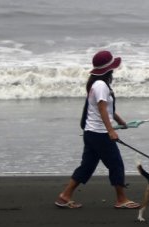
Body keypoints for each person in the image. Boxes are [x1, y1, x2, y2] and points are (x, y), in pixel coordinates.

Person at [55, 50, 140, 209]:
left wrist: (120, 121)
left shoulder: (96, 84)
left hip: (91, 133)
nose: (114, 70)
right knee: (116, 164)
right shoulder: (101, 85)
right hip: (100, 134)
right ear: (108, 69)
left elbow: (105, 109)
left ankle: (64, 196)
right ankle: (121, 200)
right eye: (113, 67)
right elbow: (101, 109)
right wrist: (111, 131)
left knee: (87, 166)